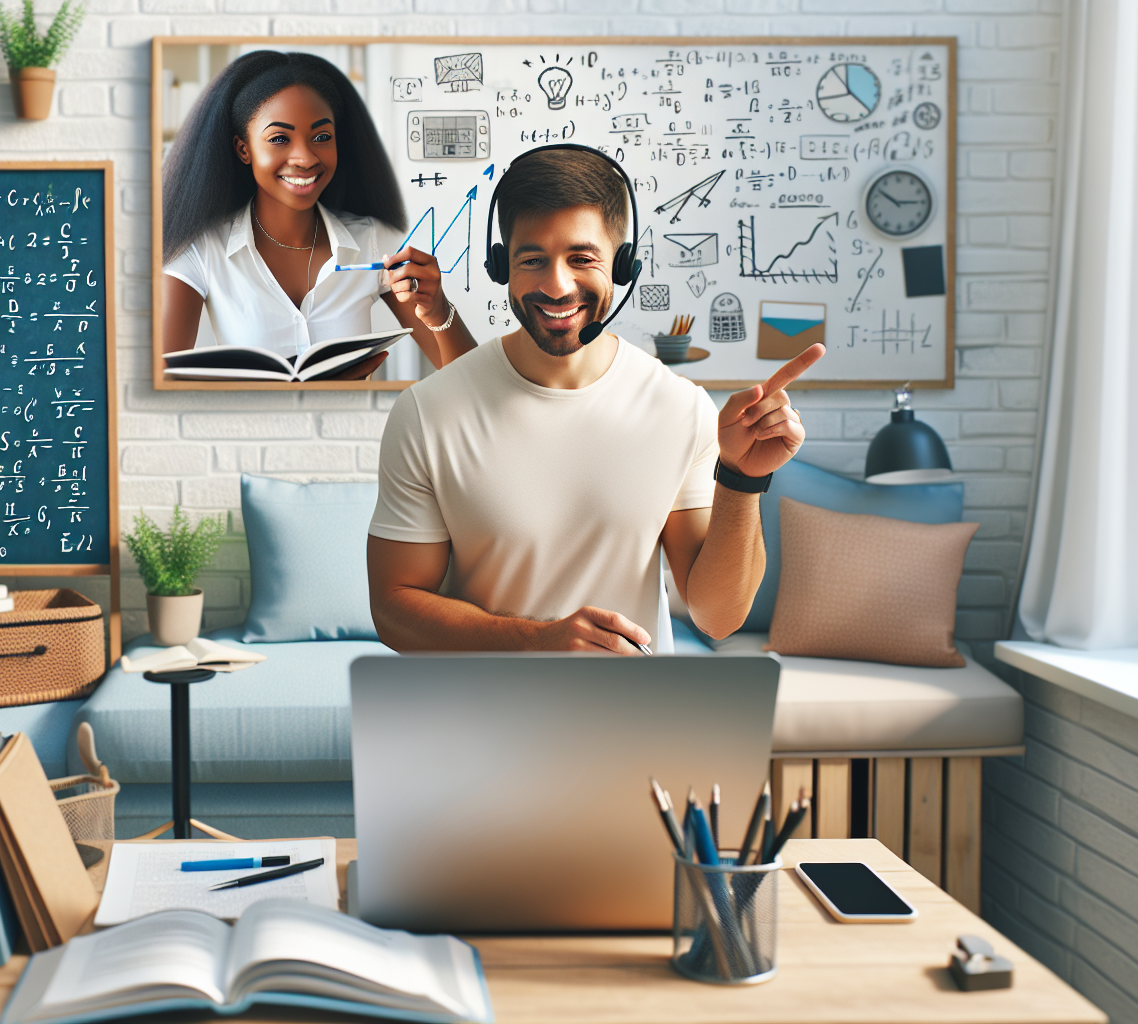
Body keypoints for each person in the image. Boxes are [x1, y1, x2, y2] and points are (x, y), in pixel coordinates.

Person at [366, 147, 824, 652]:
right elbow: (394, 607)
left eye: (581, 259)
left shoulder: (680, 408)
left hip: (632, 721)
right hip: (486, 718)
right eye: (532, 260)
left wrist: (743, 476)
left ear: (622, 263)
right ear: (502, 267)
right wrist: (540, 642)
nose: (557, 286)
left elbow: (717, 618)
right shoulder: (427, 413)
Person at [161, 51, 477, 379]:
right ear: (244, 149)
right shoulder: (198, 250)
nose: (305, 157)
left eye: (321, 137)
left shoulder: (373, 240)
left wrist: (438, 308)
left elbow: (472, 384)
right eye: (280, 139)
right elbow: (157, 389)